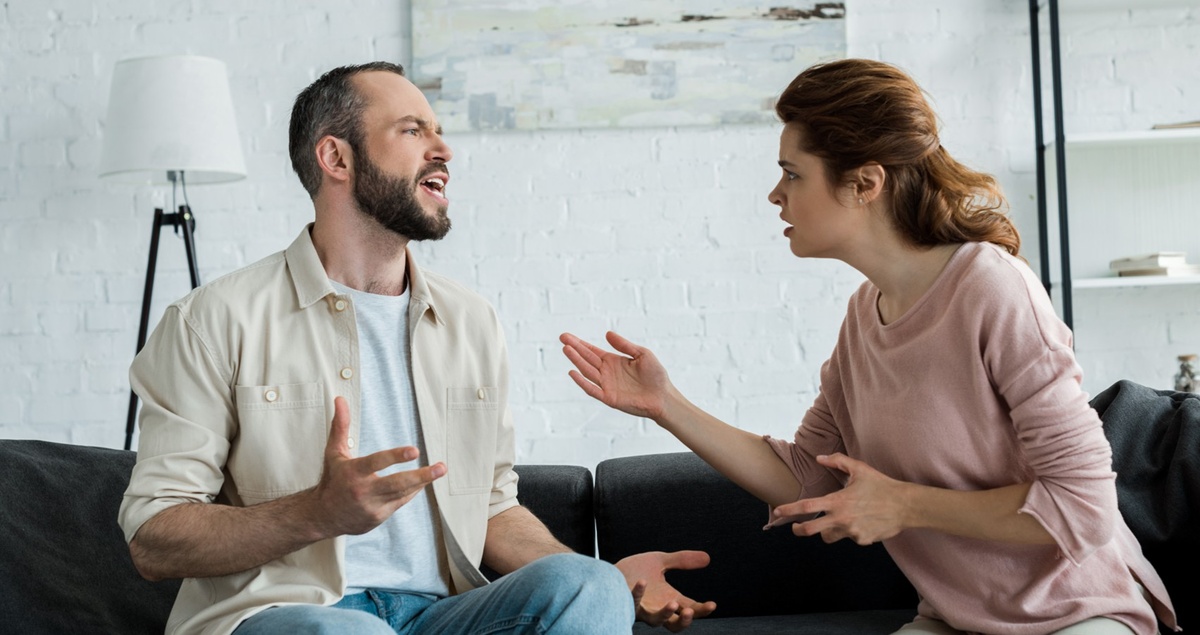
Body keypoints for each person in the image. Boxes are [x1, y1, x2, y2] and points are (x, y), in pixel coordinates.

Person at [560, 58, 1179, 635]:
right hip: (957, 619)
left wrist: (903, 505)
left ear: (864, 183)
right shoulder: (864, 316)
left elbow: (1083, 506)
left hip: (1077, 611)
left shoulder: (992, 289)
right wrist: (666, 404)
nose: (776, 194)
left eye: (792, 174)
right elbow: (806, 480)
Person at [118, 61, 715, 635]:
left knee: (590, 584)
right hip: (292, 614)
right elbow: (153, 537)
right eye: (412, 130)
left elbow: (490, 507)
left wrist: (612, 583)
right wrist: (316, 513)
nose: (444, 150)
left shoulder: (470, 321)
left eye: (439, 131)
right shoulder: (213, 320)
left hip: (442, 614)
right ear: (336, 158)